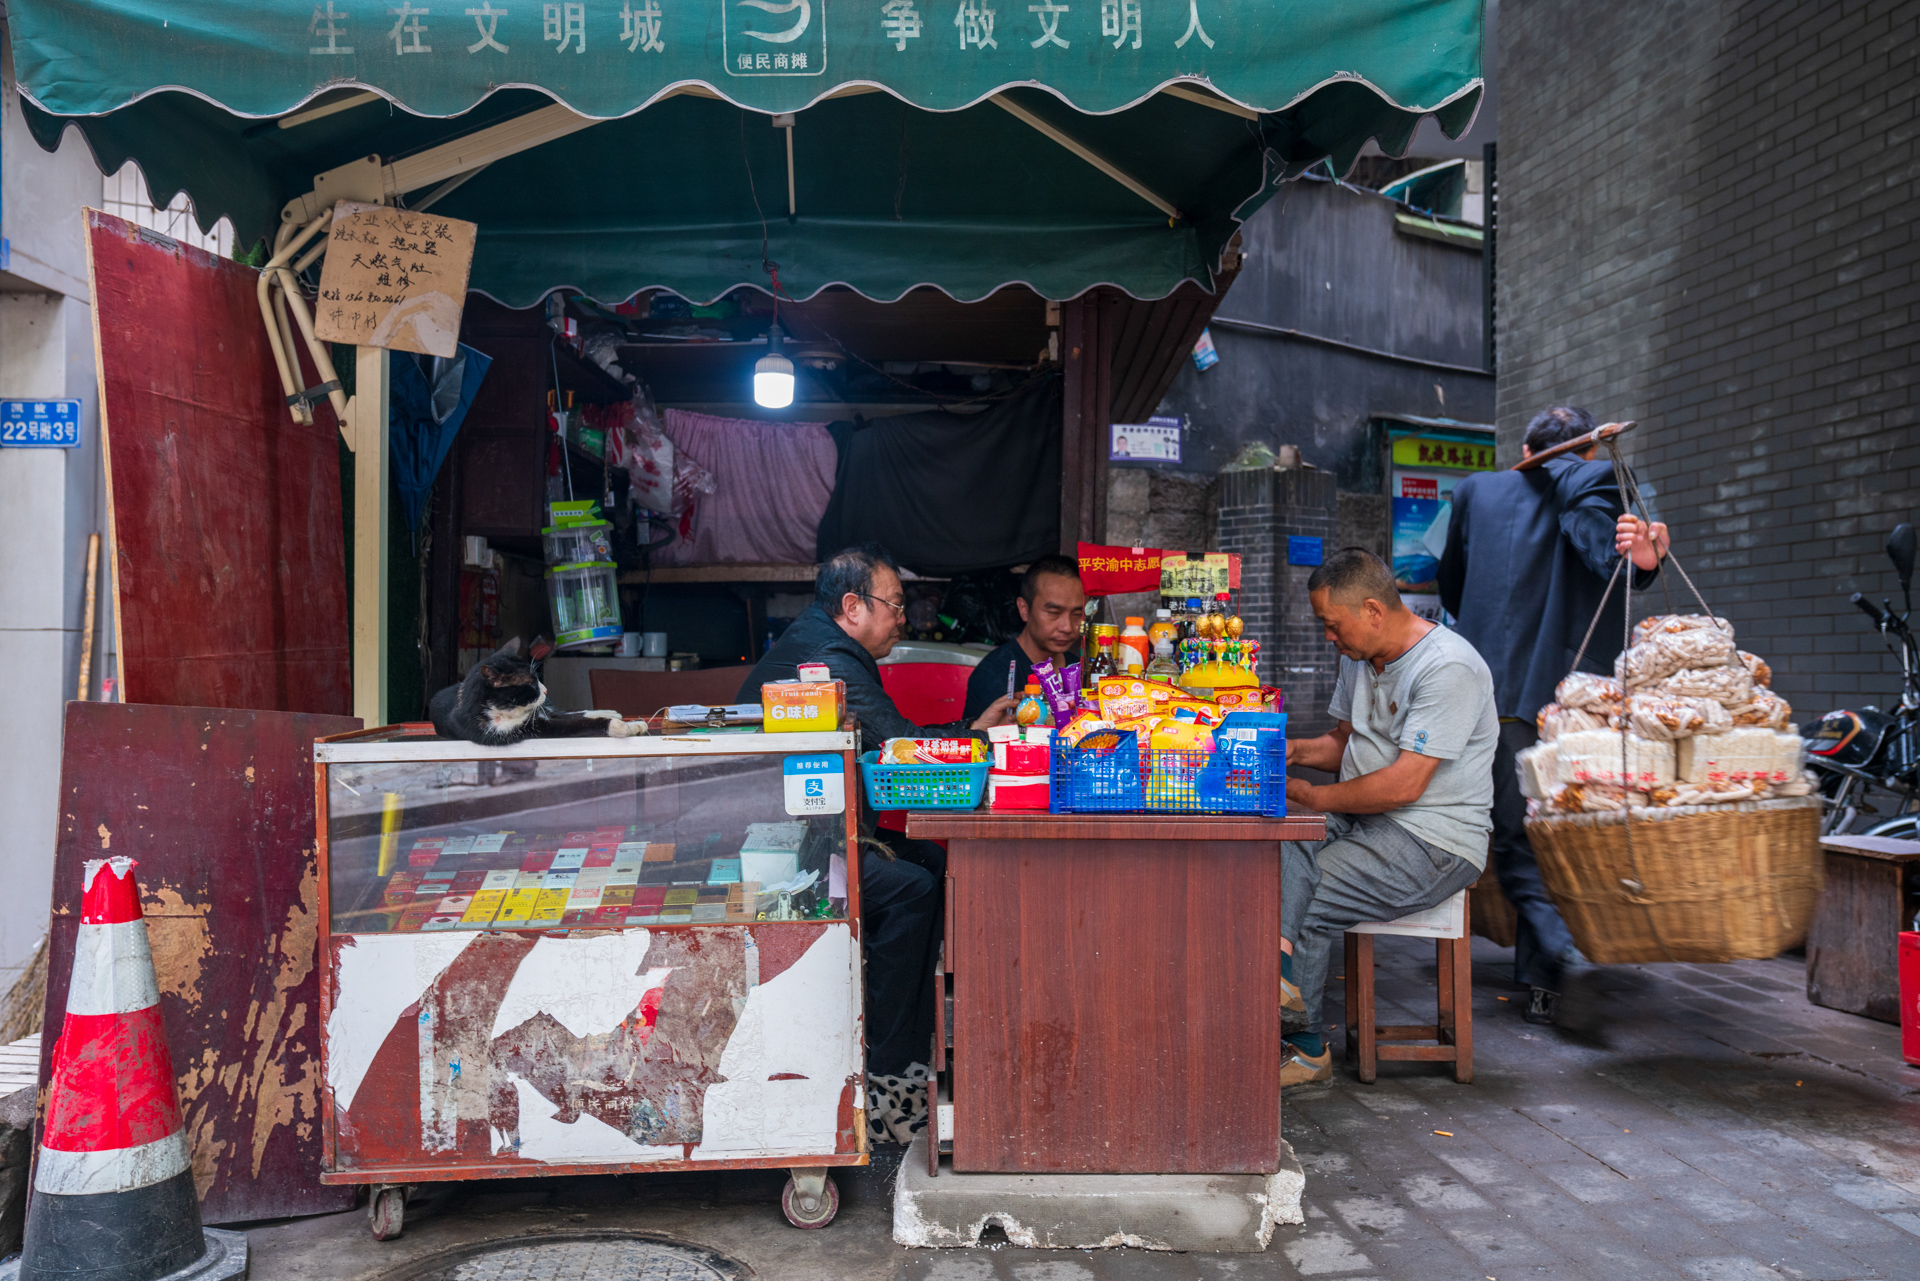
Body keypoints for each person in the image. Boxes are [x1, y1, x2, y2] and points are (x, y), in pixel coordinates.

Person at [738, 543, 1014, 1142]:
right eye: (894, 605)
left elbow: (894, 748)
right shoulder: (829, 658)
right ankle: (889, 1077)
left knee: (929, 865)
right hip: (786, 853)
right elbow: (898, 748)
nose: (904, 619)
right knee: (912, 887)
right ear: (852, 606)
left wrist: (968, 734)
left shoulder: (822, 643)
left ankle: (910, 1058)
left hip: (810, 836)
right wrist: (976, 738)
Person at [1435, 406, 1670, 1026]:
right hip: (1571, 702)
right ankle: (1551, 969)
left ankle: (1554, 966)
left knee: (1515, 838)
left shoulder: (1475, 492)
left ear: (1524, 447)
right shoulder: (1591, 481)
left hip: (1491, 690)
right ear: (1586, 453)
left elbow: (1451, 587)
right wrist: (1643, 565)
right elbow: (1607, 554)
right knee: (1546, 835)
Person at [1279, 548, 1499, 1088]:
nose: (1330, 638)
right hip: (1369, 822)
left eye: (1333, 625)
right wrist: (1291, 752)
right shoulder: (1359, 657)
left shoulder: (1448, 666)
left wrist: (1311, 796)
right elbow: (1345, 744)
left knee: (1308, 898)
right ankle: (1279, 979)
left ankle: (1303, 1049)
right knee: (1275, 837)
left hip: (1435, 842)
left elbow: (1404, 785)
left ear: (1373, 610)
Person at [962, 554, 1087, 723]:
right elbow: (977, 743)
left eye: (1077, 614)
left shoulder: (1080, 671)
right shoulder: (994, 675)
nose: (1067, 627)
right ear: (1024, 609)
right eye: (1053, 613)